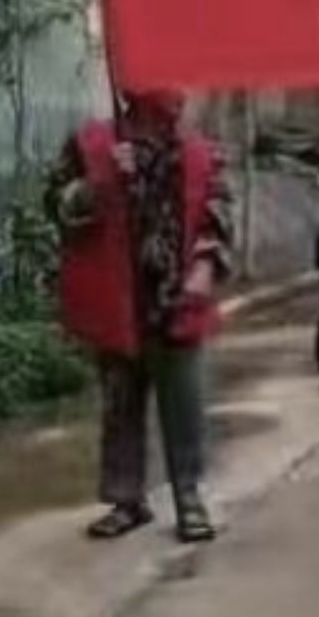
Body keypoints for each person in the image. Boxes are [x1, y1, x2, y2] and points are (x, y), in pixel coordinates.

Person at [49, 89, 231, 544]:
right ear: (136, 91)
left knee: (184, 405)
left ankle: (189, 497)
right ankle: (127, 500)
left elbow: (218, 211)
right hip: (116, 298)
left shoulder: (200, 152)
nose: (178, 98)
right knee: (120, 405)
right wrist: (99, 184)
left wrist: (206, 267)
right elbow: (56, 205)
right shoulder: (90, 144)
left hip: (176, 299)